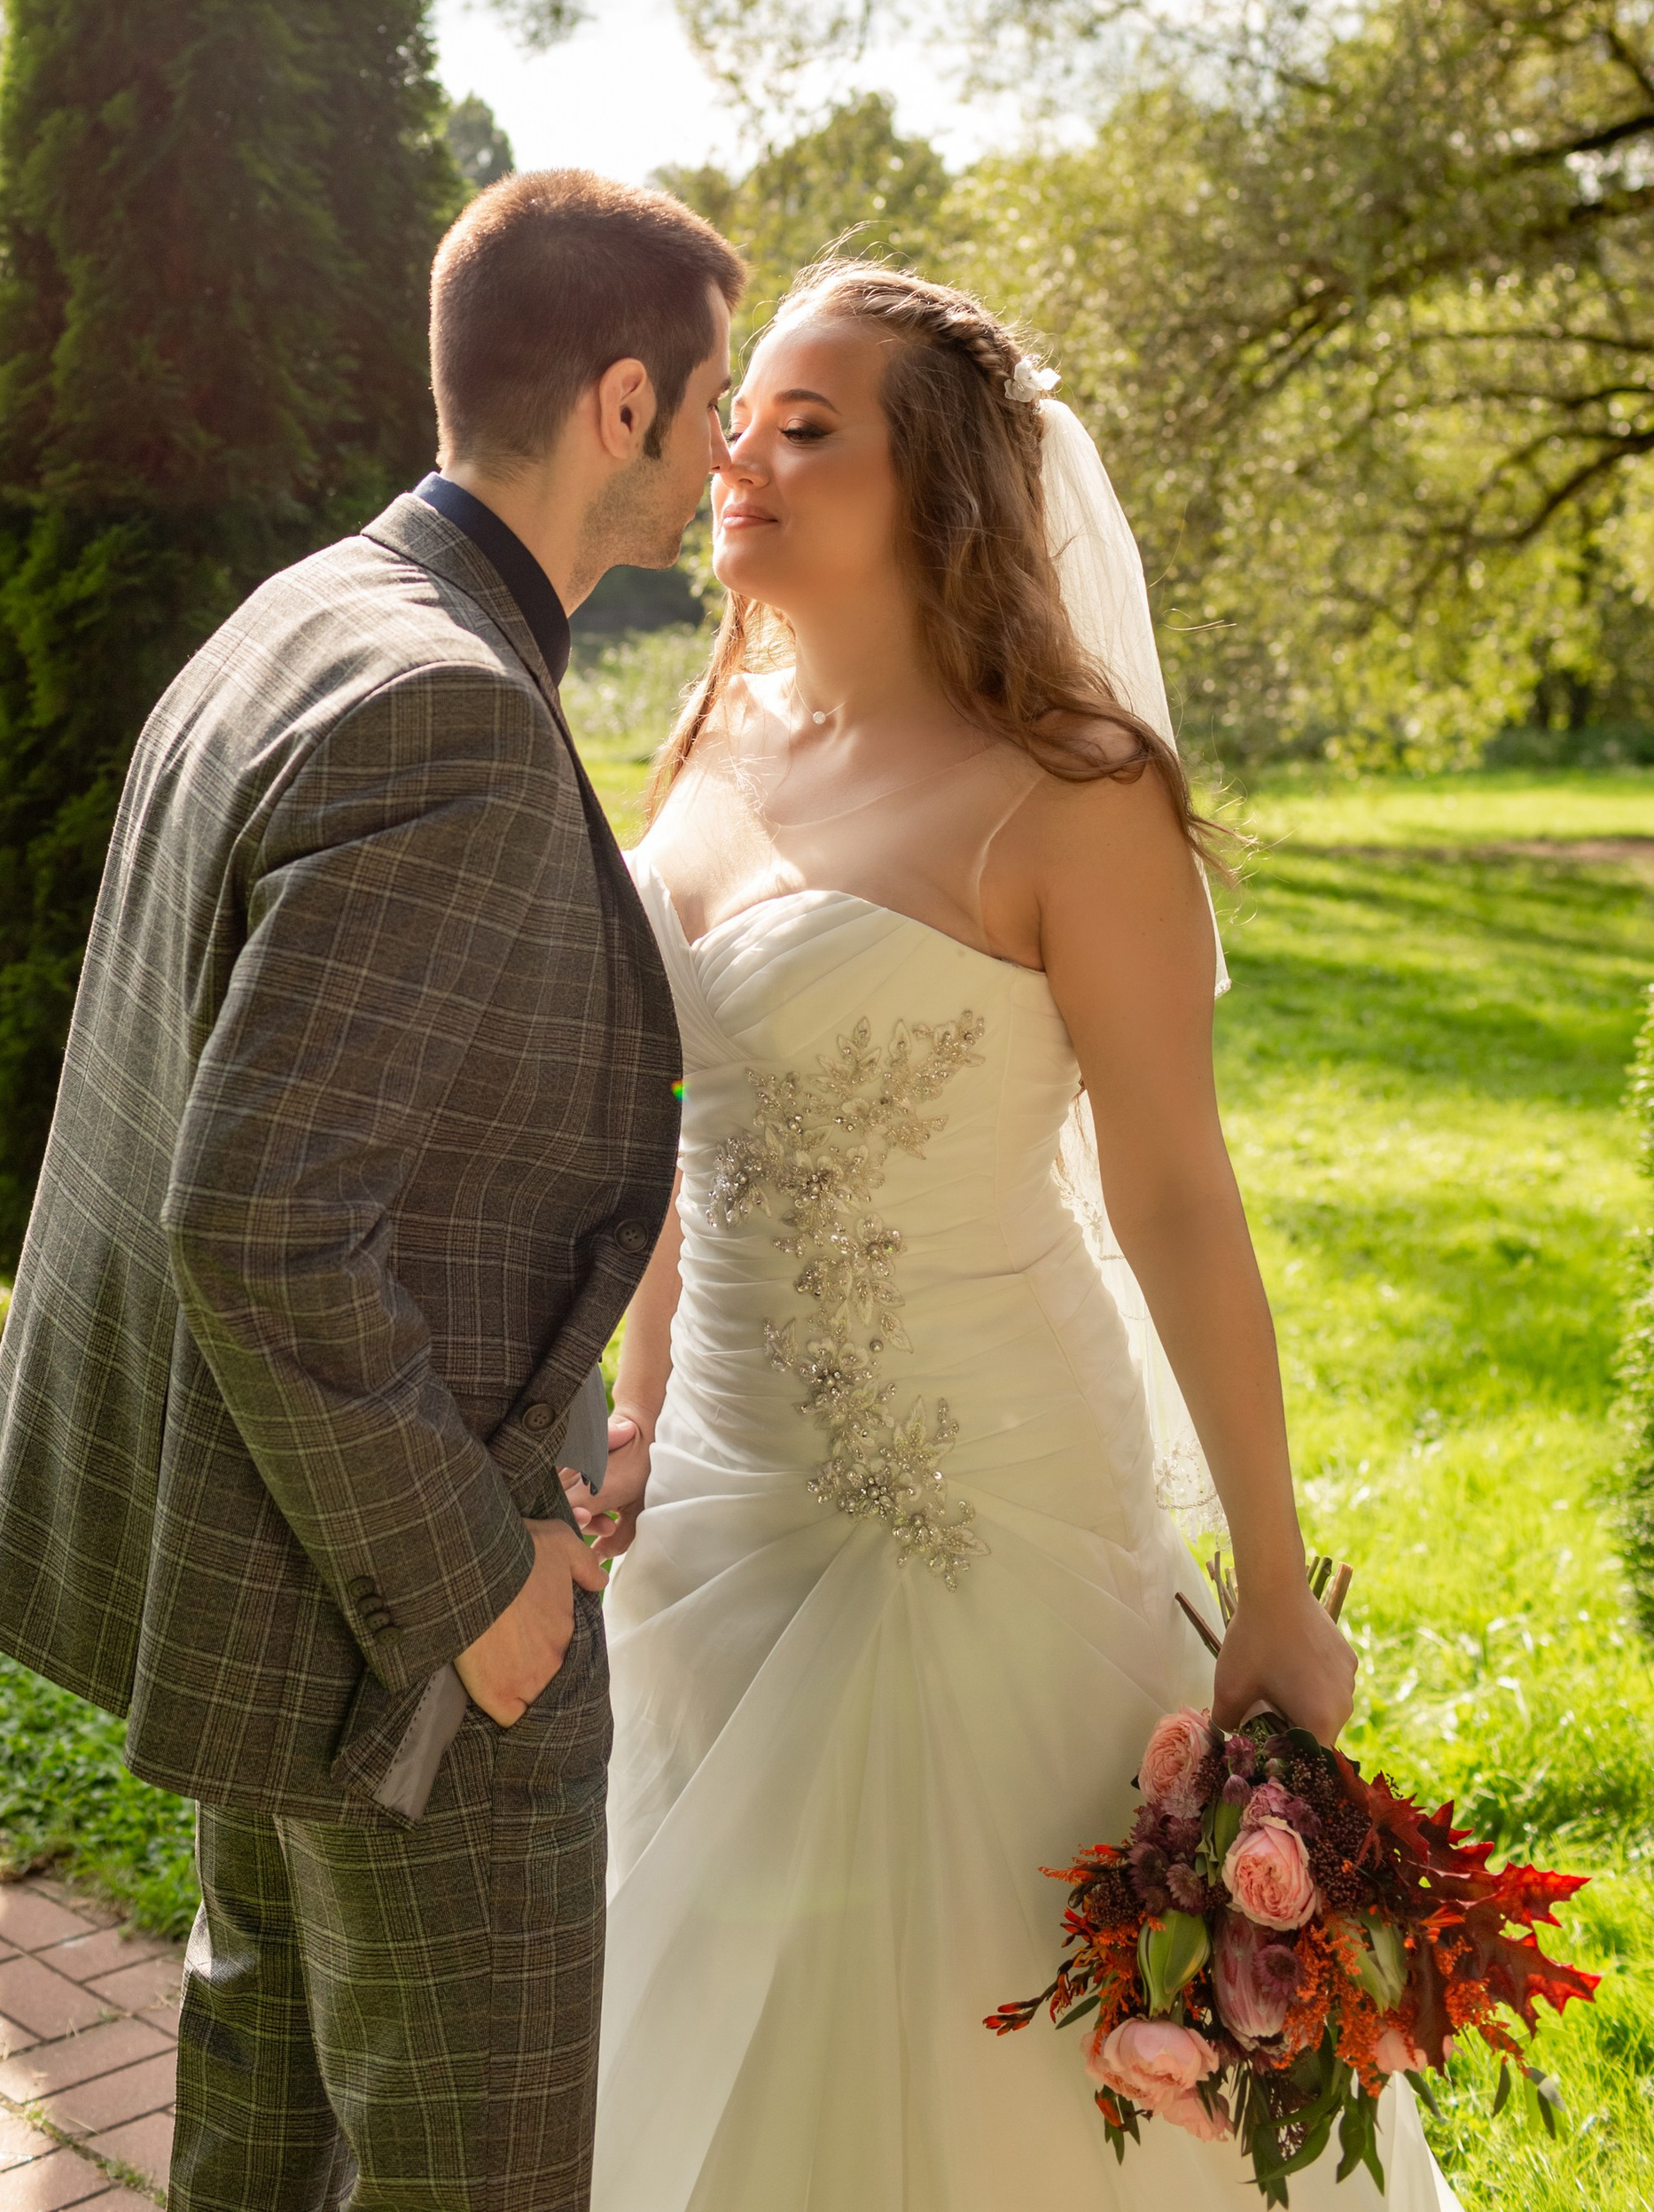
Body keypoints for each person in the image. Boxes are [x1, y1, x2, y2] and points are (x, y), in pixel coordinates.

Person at [569, 263, 1463, 2210]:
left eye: (814, 428)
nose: (745, 461)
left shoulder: (1072, 800)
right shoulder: (702, 751)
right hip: (714, 1504)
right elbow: (670, 1126)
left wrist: (1275, 1585)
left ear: (945, 492)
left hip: (975, 1514)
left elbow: (1171, 1198)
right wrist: (630, 1409)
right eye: (749, 420)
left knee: (969, 2031)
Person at [0, 167, 742, 2212]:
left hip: (266, 1579)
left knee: (262, 2138)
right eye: (713, 400)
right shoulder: (453, 714)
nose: (727, 450)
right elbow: (258, 1211)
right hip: (398, 1633)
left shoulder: (304, 616)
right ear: (624, 402)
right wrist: (475, 1600)